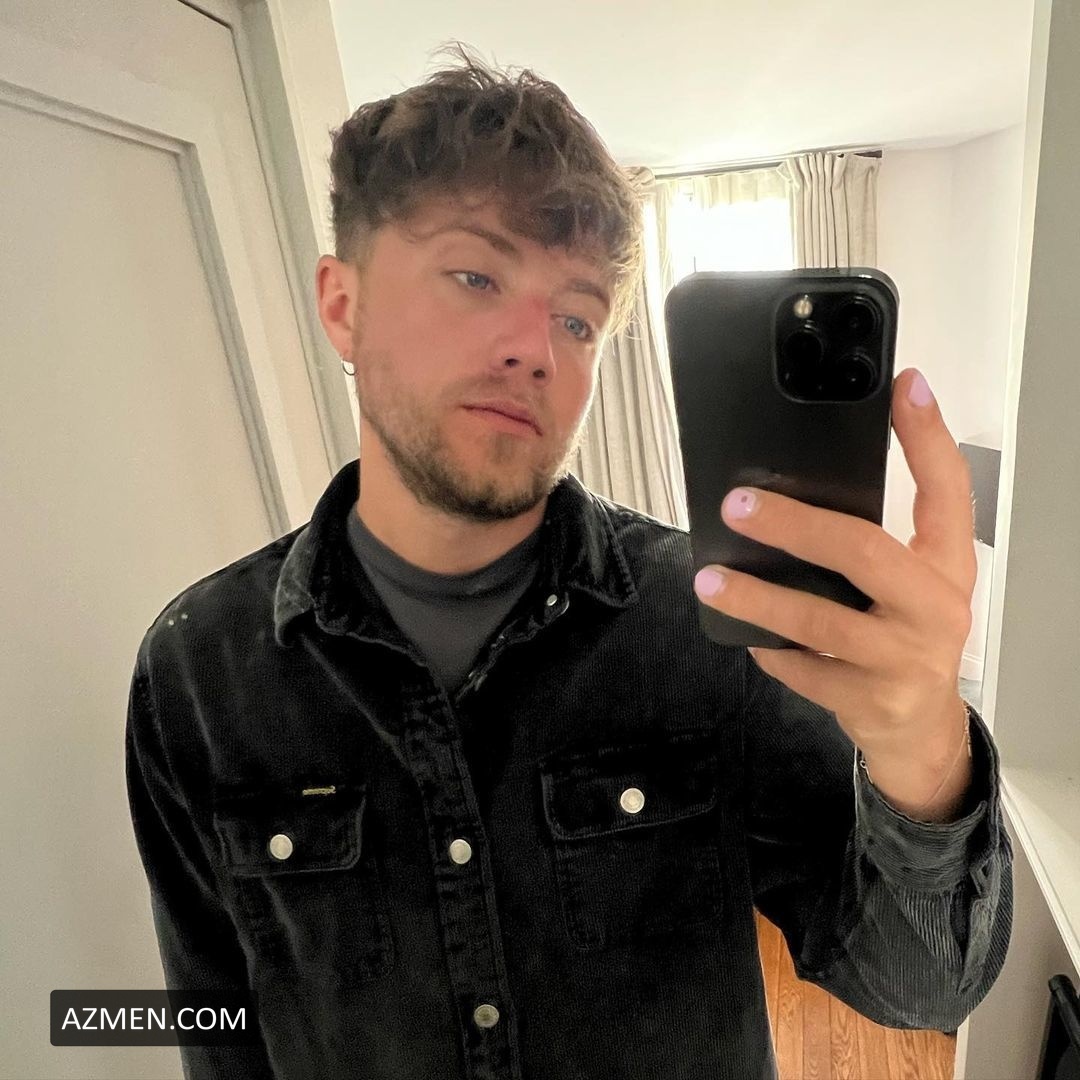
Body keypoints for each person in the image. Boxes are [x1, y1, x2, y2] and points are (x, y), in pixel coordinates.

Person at [126, 43, 1012, 1080]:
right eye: (475, 276)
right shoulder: (199, 673)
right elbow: (217, 1023)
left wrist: (923, 756)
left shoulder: (706, 622)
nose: (536, 349)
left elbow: (920, 985)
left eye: (577, 317)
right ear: (342, 304)